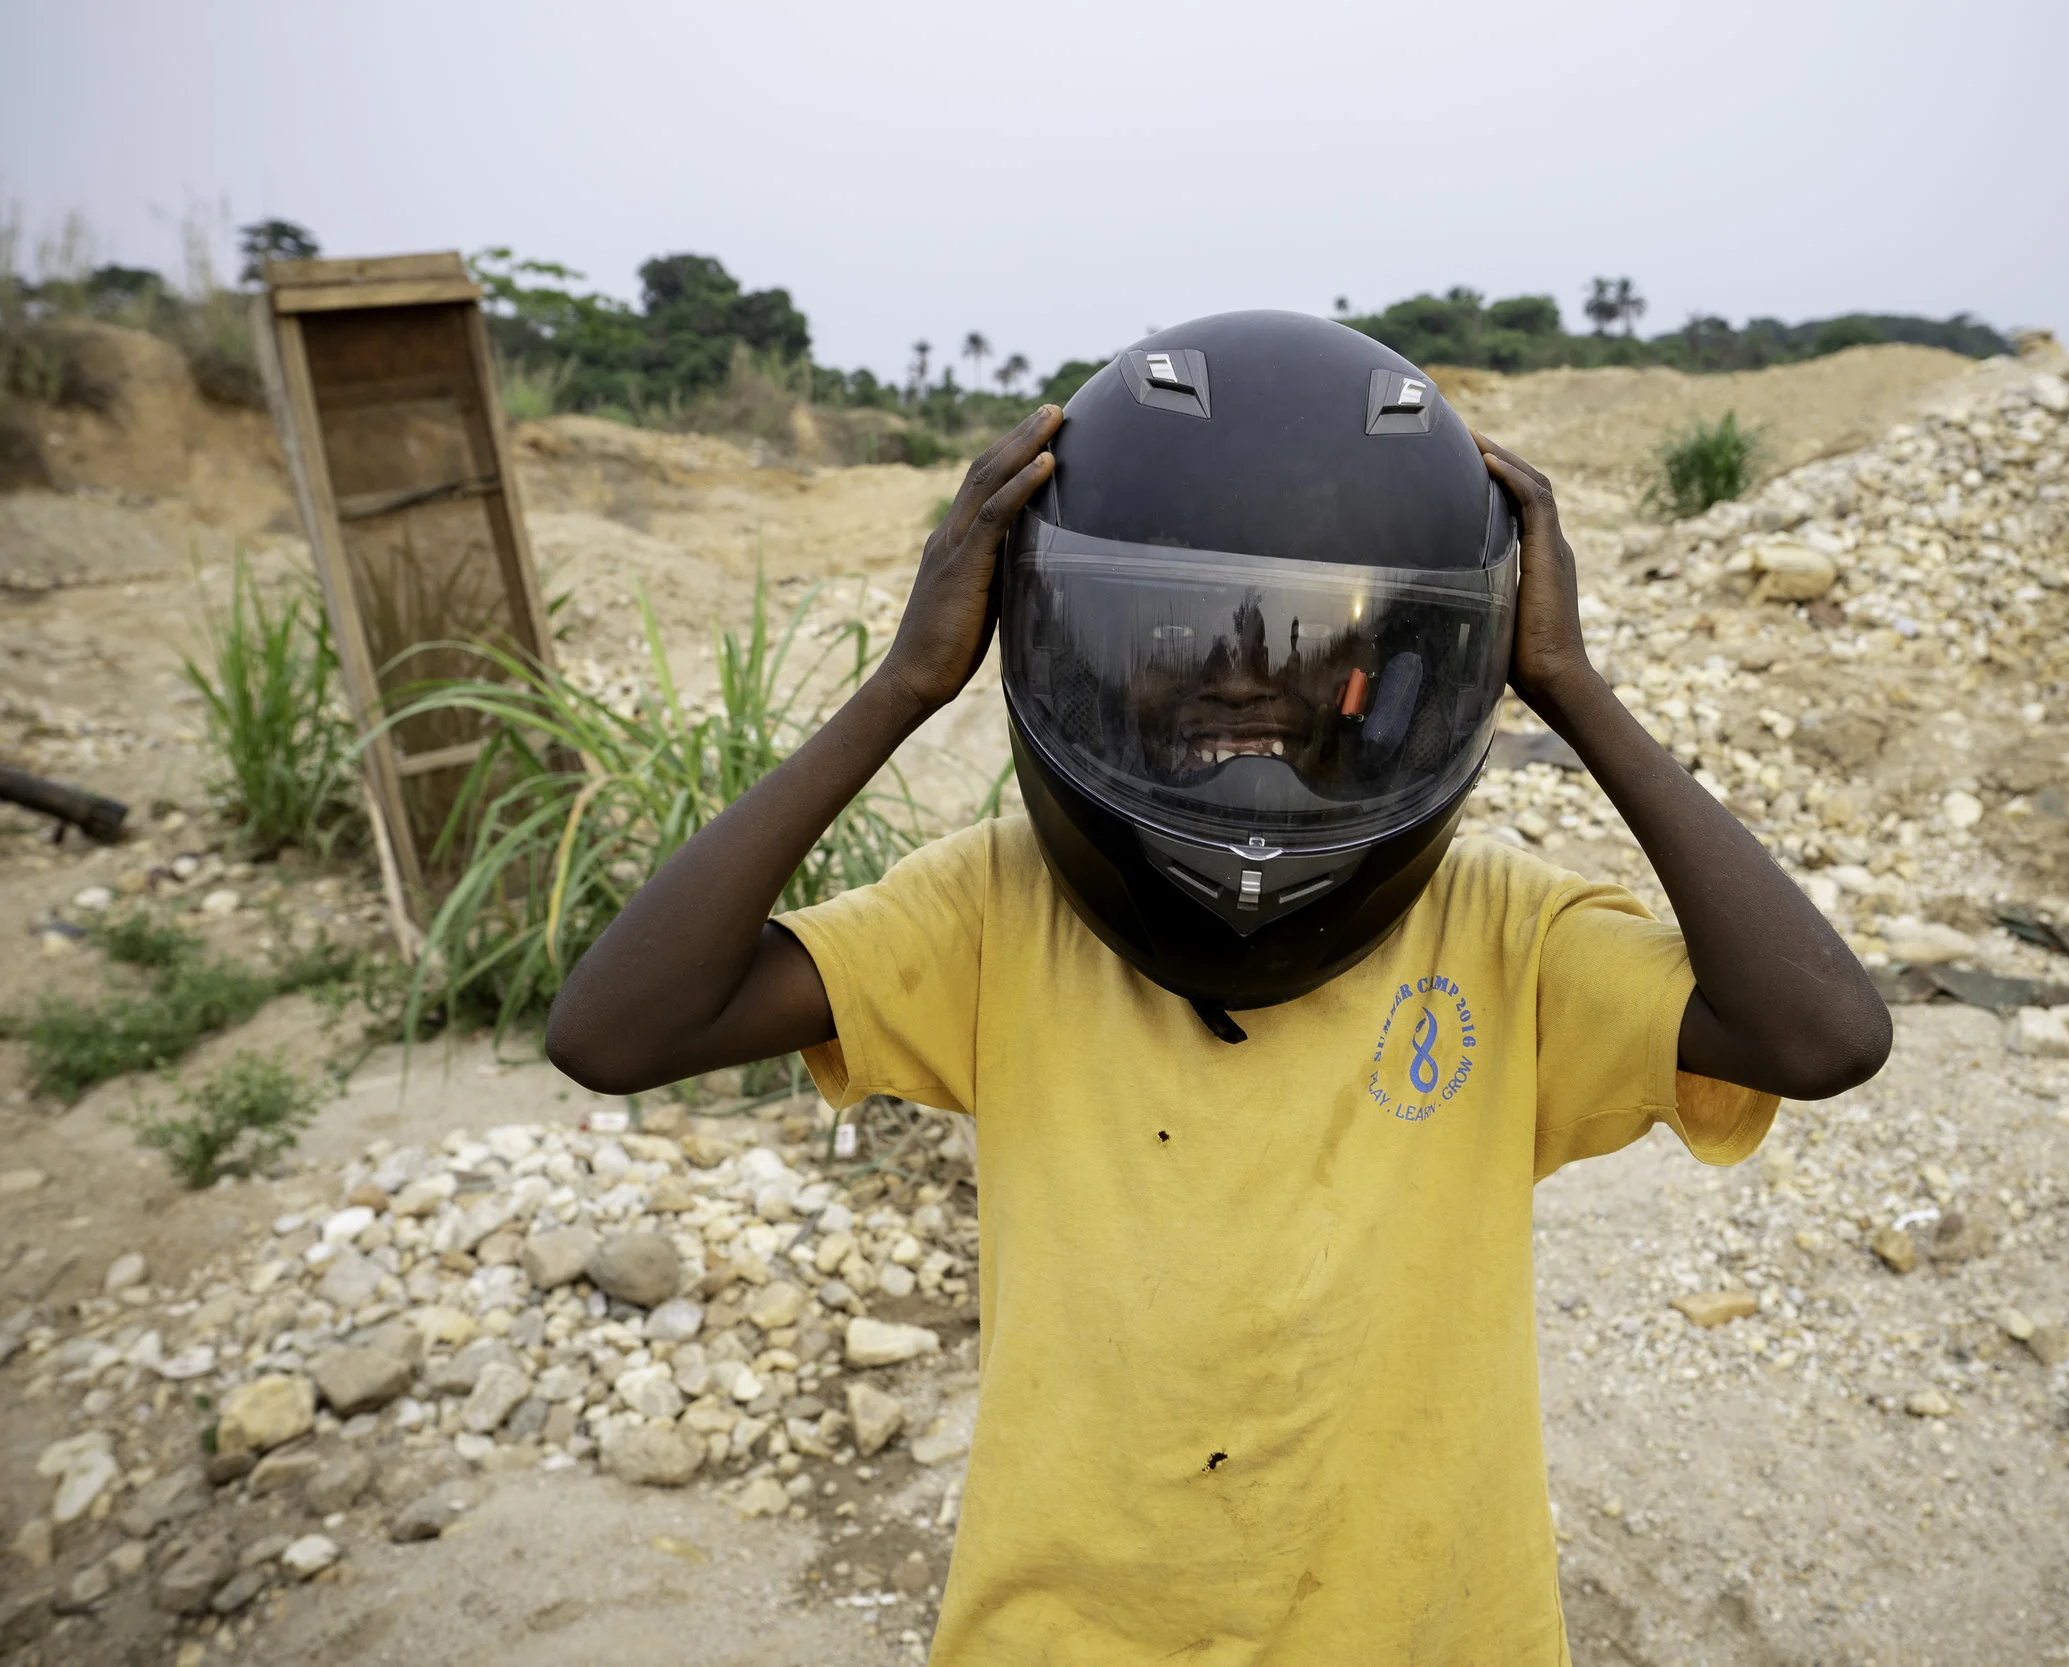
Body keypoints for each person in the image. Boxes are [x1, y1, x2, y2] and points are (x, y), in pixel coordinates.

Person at [546, 311, 1892, 1662]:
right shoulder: (994, 912)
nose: (1243, 674)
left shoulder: (1504, 936)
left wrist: (1568, 681)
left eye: (1304, 645)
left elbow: (1821, 1032)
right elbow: (620, 1028)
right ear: (1058, 643)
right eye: (1180, 635)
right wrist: (906, 682)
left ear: (1410, 678)